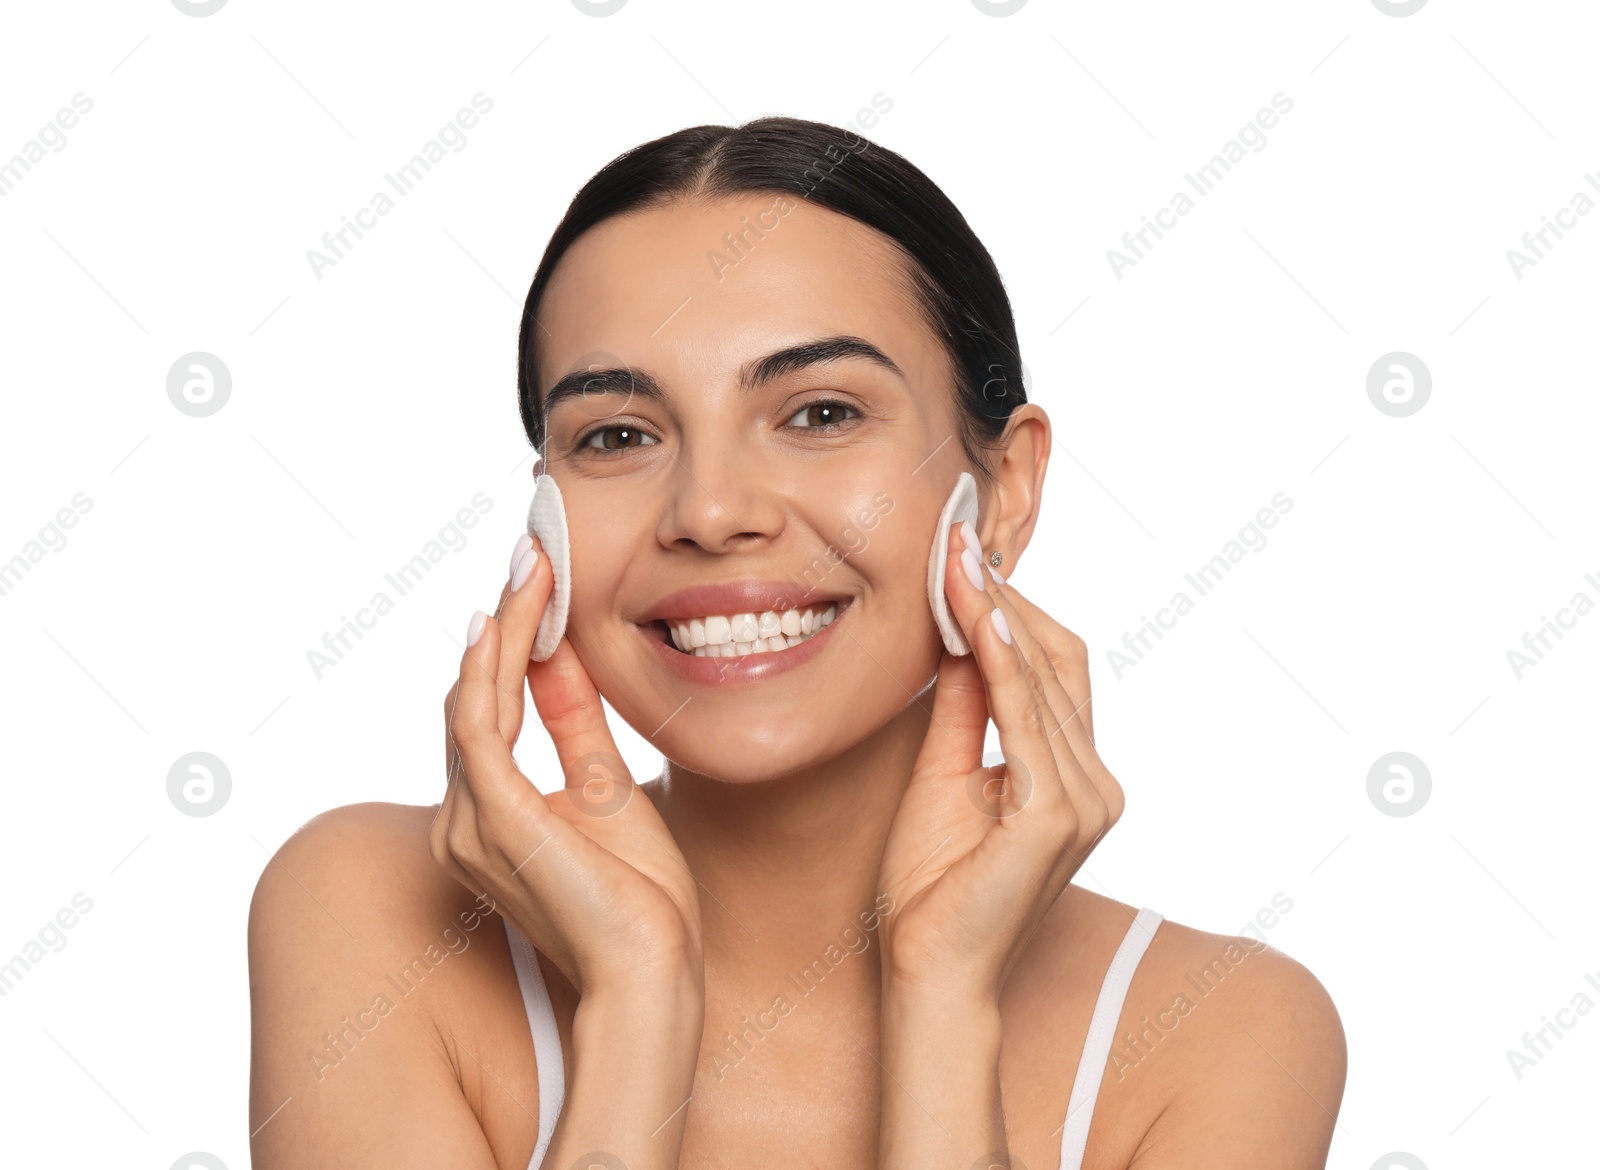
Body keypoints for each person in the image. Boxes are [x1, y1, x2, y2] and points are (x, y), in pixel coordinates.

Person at [249, 116, 1346, 1170]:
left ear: (1003, 490)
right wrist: (638, 1001)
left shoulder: (1225, 1034)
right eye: (618, 435)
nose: (713, 510)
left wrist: (944, 997)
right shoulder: (372, 913)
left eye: (820, 413)